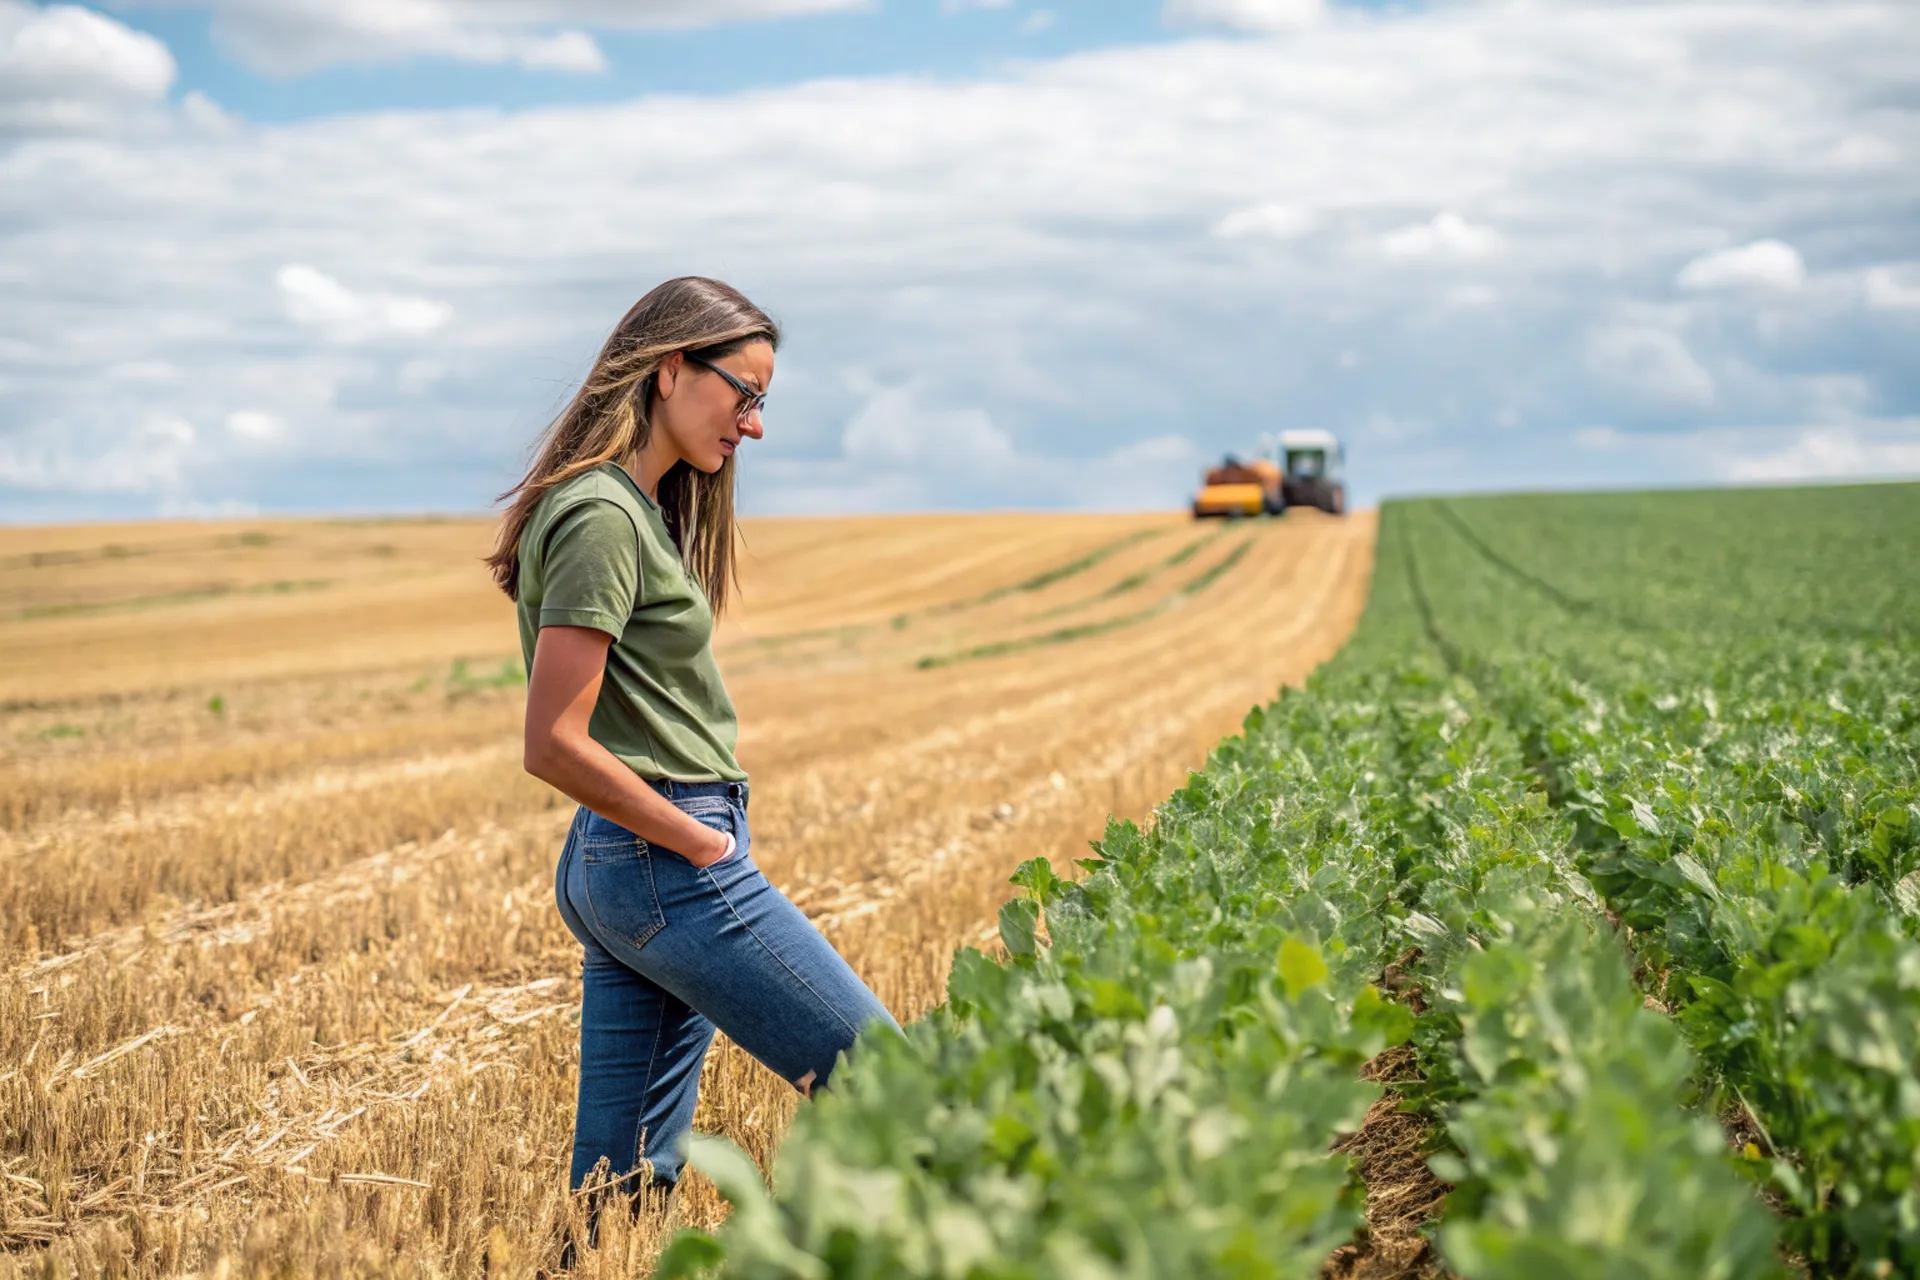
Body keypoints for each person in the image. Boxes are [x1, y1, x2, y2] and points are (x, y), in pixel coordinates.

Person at [485, 276, 898, 1208]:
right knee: (895, 1090)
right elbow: (551, 742)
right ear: (672, 370)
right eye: (743, 395)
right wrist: (702, 845)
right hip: (664, 855)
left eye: (762, 402)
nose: (753, 425)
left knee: (621, 1184)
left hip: (634, 861)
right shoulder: (600, 513)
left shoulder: (629, 508)